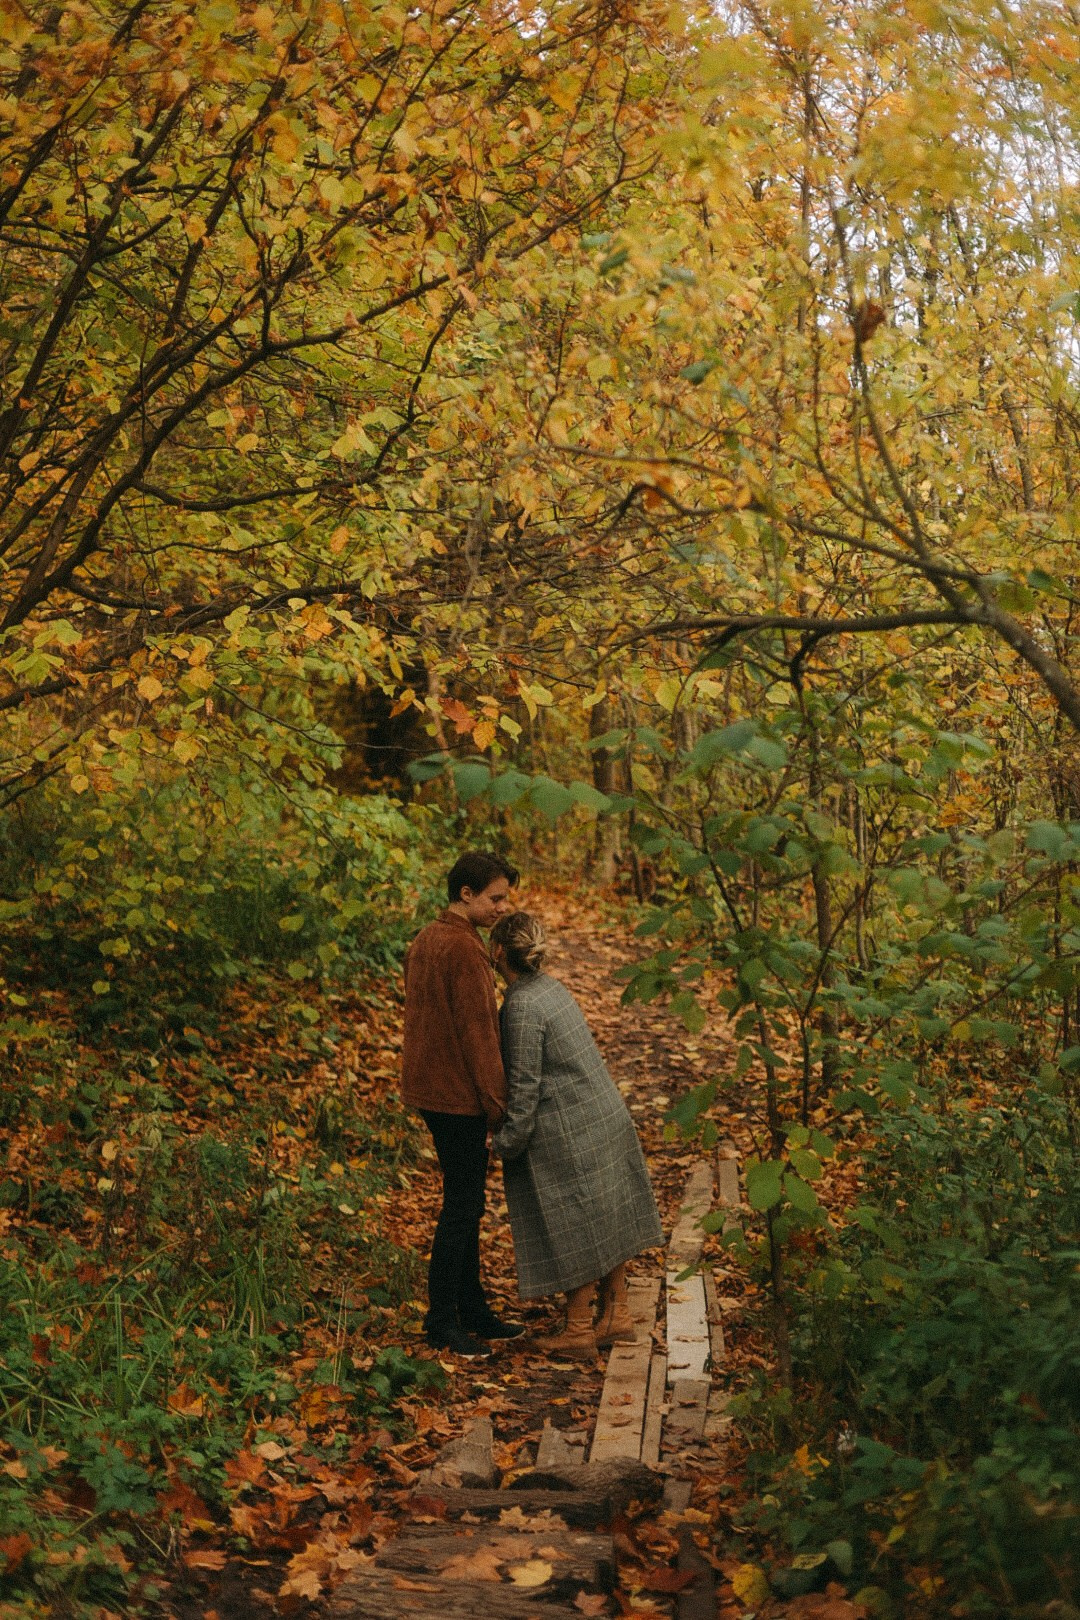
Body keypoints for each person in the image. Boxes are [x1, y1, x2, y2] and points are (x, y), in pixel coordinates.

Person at [490, 910, 663, 1360]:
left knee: (575, 1220)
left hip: (569, 1126)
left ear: (497, 951)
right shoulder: (550, 988)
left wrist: (506, 1141)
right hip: (601, 1113)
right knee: (603, 1214)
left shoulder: (522, 1005)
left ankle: (580, 1329)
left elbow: (524, 1088)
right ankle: (616, 1314)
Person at [401, 851, 524, 1358]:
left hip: (431, 1090)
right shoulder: (464, 950)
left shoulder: (427, 938)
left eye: (506, 898)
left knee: (466, 1204)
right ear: (466, 895)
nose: (502, 908)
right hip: (456, 1097)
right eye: (495, 898)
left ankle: (471, 1307)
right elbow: (481, 1036)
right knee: (460, 1208)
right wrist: (499, 1107)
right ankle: (442, 1320)